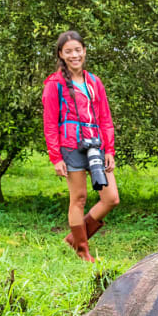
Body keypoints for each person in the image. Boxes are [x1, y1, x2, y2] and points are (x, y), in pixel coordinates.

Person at [42, 30, 119, 262]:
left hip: (96, 144)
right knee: (79, 198)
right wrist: (56, 157)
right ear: (61, 54)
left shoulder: (94, 81)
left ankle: (73, 239)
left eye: (78, 50)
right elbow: (50, 123)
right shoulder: (54, 84)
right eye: (69, 51)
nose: (74, 55)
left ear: (84, 51)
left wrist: (109, 150)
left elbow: (105, 117)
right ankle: (82, 251)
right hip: (70, 146)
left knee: (111, 198)